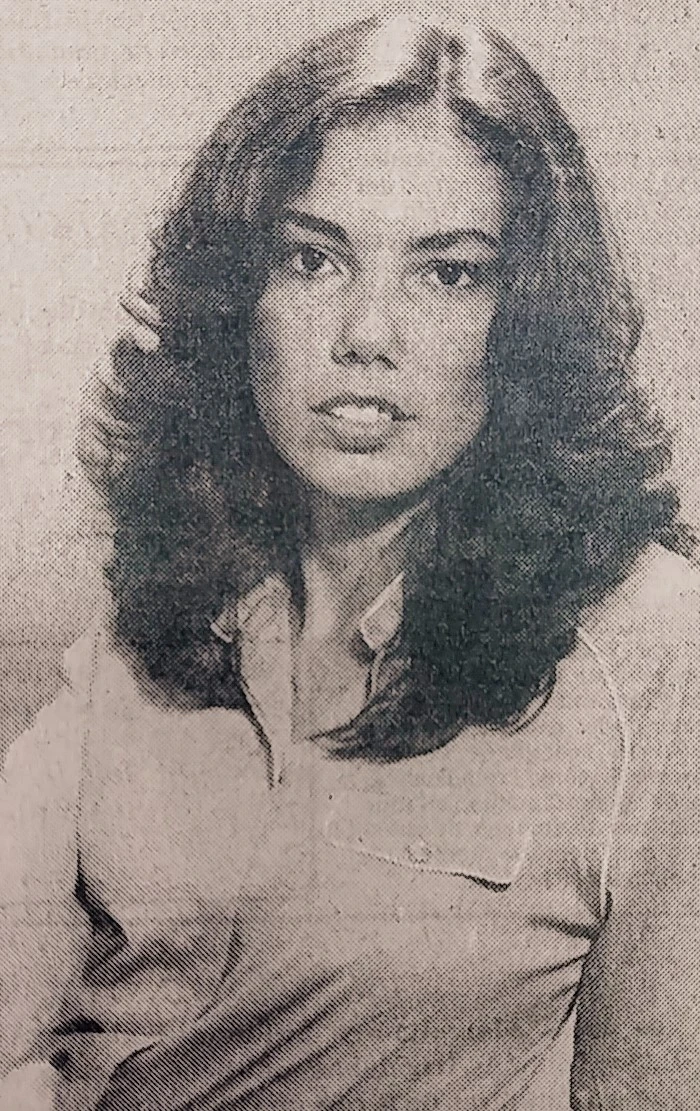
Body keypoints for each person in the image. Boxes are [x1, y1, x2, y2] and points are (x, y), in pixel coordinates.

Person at [1, 10, 699, 1110]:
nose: (366, 333)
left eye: (449, 274)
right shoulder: (160, 608)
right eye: (313, 259)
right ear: (240, 297)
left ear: (528, 318)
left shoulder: (654, 644)